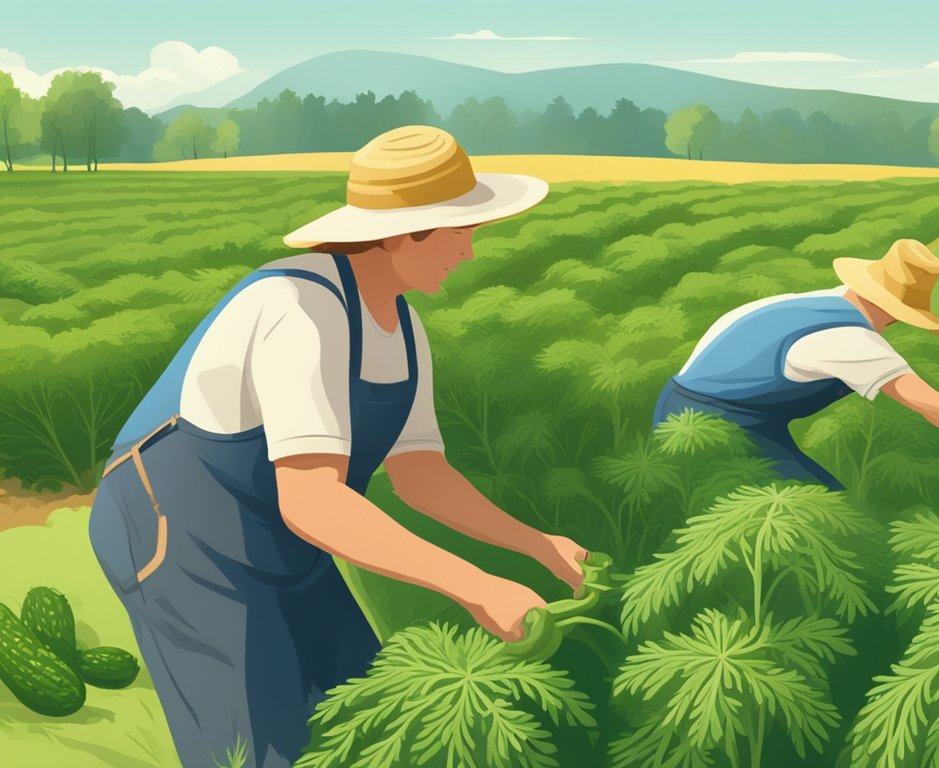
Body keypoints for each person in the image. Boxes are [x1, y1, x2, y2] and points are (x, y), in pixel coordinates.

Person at [87, 126, 590, 768]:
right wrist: (476, 586)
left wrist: (535, 545)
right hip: (178, 539)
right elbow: (314, 500)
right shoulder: (296, 307)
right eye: (460, 231)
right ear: (406, 232)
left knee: (362, 717)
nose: (468, 251)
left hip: (283, 539)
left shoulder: (404, 327)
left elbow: (420, 476)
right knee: (256, 748)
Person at [652, 239, 939, 491]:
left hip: (684, 401)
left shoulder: (818, 300)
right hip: (709, 425)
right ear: (897, 312)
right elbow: (935, 406)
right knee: (822, 510)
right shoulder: (851, 340)